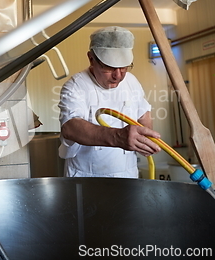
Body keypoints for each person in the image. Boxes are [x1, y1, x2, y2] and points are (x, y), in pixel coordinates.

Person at [58, 26, 161, 178]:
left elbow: (143, 112)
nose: (118, 76)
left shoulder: (132, 82)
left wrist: (144, 140)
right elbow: (71, 127)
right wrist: (118, 137)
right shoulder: (75, 86)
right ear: (91, 59)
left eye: (124, 67)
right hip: (88, 179)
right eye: (109, 67)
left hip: (128, 175)